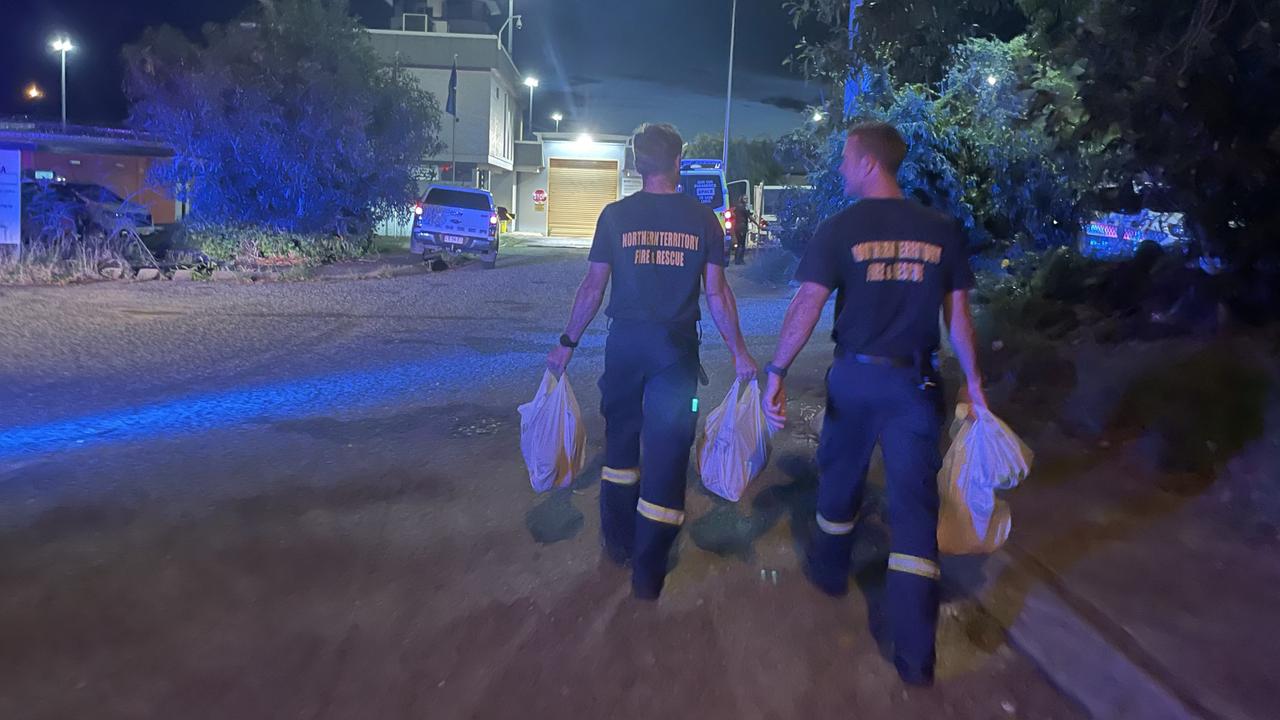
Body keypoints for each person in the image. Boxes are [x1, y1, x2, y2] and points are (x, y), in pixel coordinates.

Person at [760, 122, 989, 686]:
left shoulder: (840, 229)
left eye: (845, 158)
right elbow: (957, 319)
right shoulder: (942, 230)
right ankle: (915, 659)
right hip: (915, 387)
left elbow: (807, 306)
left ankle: (831, 574)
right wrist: (975, 385)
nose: (840, 168)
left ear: (867, 163)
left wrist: (776, 372)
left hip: (855, 380)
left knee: (838, 482)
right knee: (914, 513)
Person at [546, 123, 757, 599]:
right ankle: (647, 572)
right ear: (678, 162)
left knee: (620, 449)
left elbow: (592, 288)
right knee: (665, 455)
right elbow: (718, 293)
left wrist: (566, 342)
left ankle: (617, 545)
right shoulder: (704, 220)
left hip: (623, 348)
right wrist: (740, 354)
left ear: (637, 164)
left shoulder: (615, 216)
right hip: (674, 354)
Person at [730, 195, 753, 265]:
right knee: (741, 244)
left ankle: (737, 259)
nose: (747, 200)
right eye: (745, 198)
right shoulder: (743, 208)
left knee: (739, 243)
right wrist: (758, 225)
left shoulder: (737, 207)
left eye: (747, 198)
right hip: (742, 227)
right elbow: (750, 217)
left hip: (737, 227)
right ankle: (740, 260)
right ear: (742, 199)